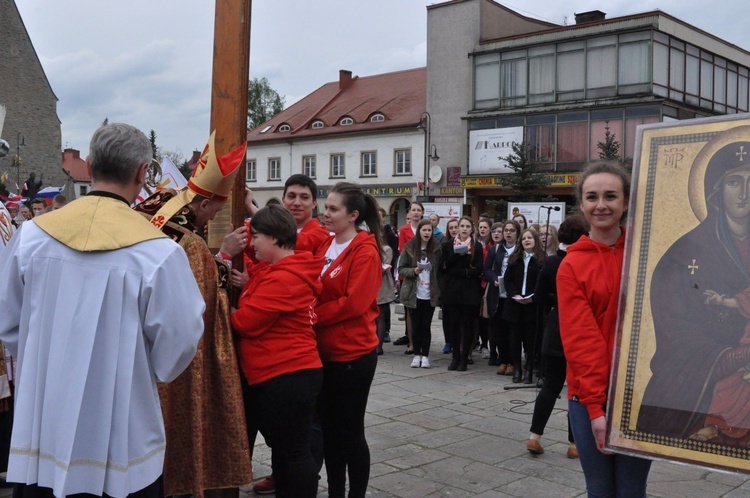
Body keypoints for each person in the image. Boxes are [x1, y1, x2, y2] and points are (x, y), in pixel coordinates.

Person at [0, 122, 205, 497]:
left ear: (90, 165)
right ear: (143, 173)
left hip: (45, 424)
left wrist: (43, 360)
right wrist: (142, 370)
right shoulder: (158, 253)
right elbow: (179, 341)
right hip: (122, 427)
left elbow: (8, 321)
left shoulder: (31, 238)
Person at [134, 131, 253, 497]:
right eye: (214, 212)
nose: (211, 219)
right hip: (172, 362)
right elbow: (201, 302)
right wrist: (224, 257)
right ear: (202, 206)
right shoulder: (192, 243)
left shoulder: (154, 205)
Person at [638, 133, 750, 446]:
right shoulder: (683, 254)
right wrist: (735, 357)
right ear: (716, 190)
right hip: (705, 378)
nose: (744, 193)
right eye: (733, 182)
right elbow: (675, 332)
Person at [558, 161, 652, 497]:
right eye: (592, 197)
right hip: (587, 398)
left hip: (639, 393)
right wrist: (598, 411)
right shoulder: (572, 264)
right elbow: (582, 343)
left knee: (631, 489)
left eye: (611, 196)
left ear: (625, 203)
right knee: (600, 489)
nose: (601, 204)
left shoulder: (647, 254)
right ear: (581, 204)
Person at [238, 174, 330, 496]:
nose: (252, 243)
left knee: (292, 451)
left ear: (275, 239)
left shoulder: (283, 279)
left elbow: (246, 322)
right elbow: (259, 271)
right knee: (289, 448)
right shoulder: (281, 269)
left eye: (257, 237)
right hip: (285, 372)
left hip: (286, 373)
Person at [314, 182, 383, 498]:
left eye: (333, 209)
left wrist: (314, 316)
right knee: (329, 431)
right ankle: (335, 492)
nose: (325, 213)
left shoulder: (365, 251)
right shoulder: (325, 245)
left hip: (353, 355)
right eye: (326, 207)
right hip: (324, 352)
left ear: (353, 215)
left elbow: (355, 303)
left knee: (350, 431)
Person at [527, 214, 588, 458]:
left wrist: (556, 303)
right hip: (579, 332)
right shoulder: (583, 261)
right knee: (576, 389)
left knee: (549, 387)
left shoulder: (551, 262)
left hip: (555, 330)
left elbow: (539, 298)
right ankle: (574, 444)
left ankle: (534, 437)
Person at [440, 216, 483, 371]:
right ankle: (455, 356)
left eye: (467, 226)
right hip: (452, 291)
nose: (464, 229)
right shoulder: (447, 246)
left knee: (467, 324)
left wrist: (463, 271)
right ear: (457, 228)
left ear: (472, 229)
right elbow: (444, 268)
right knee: (453, 324)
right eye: (462, 226)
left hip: (469, 291)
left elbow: (478, 270)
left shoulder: (476, 246)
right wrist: (456, 256)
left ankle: (465, 357)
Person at [399, 219, 442, 369]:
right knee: (416, 325)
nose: (427, 233)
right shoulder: (410, 246)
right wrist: (414, 271)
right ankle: (417, 354)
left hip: (429, 292)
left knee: (426, 325)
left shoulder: (436, 247)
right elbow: (401, 268)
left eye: (429, 230)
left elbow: (441, 269)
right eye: (424, 230)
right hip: (414, 292)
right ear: (419, 232)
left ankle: (425, 356)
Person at [503, 228, 544, 384]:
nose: (527, 240)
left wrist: (533, 297)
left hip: (532, 305)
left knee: (531, 339)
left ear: (535, 241)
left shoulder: (541, 259)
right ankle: (517, 368)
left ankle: (529, 369)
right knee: (515, 338)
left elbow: (542, 282)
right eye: (524, 238)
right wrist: (515, 294)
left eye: (530, 238)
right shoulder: (515, 258)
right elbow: (508, 280)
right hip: (515, 304)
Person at [483, 220, 519, 371]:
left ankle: (512, 361)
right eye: (506, 230)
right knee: (499, 329)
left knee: (512, 330)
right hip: (498, 294)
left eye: (512, 230)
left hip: (513, 295)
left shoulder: (520, 249)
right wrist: (494, 278)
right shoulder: (496, 249)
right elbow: (486, 269)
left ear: (517, 233)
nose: (508, 233)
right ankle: (502, 359)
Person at [394, 201, 425, 352]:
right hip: (410, 271)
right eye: (414, 210)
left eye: (419, 210)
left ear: (422, 212)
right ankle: (412, 342)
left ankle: (422, 340)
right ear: (409, 213)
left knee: (422, 310)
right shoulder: (404, 229)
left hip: (425, 273)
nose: (416, 213)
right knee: (409, 310)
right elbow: (402, 251)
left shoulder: (425, 228)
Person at [440, 218, 460, 354]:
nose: (453, 230)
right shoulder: (445, 245)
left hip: (462, 285)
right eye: (451, 228)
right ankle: (448, 341)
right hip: (448, 285)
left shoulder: (470, 244)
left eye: (455, 227)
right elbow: (442, 266)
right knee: (447, 316)